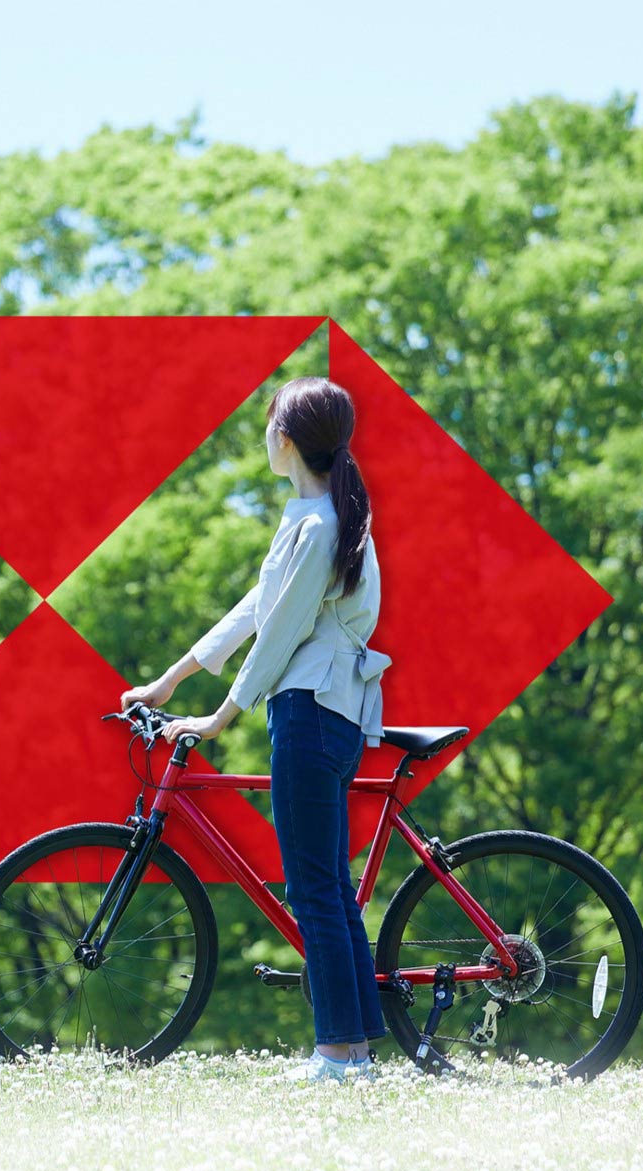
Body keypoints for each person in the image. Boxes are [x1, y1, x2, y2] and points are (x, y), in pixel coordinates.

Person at [118, 376, 393, 1084]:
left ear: (288, 439)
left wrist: (219, 715)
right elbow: (255, 609)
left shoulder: (321, 523)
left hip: (309, 710)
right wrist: (172, 679)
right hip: (329, 709)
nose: (264, 435)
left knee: (312, 889)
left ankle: (337, 1056)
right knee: (327, 886)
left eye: (270, 424)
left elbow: (277, 636)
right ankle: (354, 1052)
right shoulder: (317, 516)